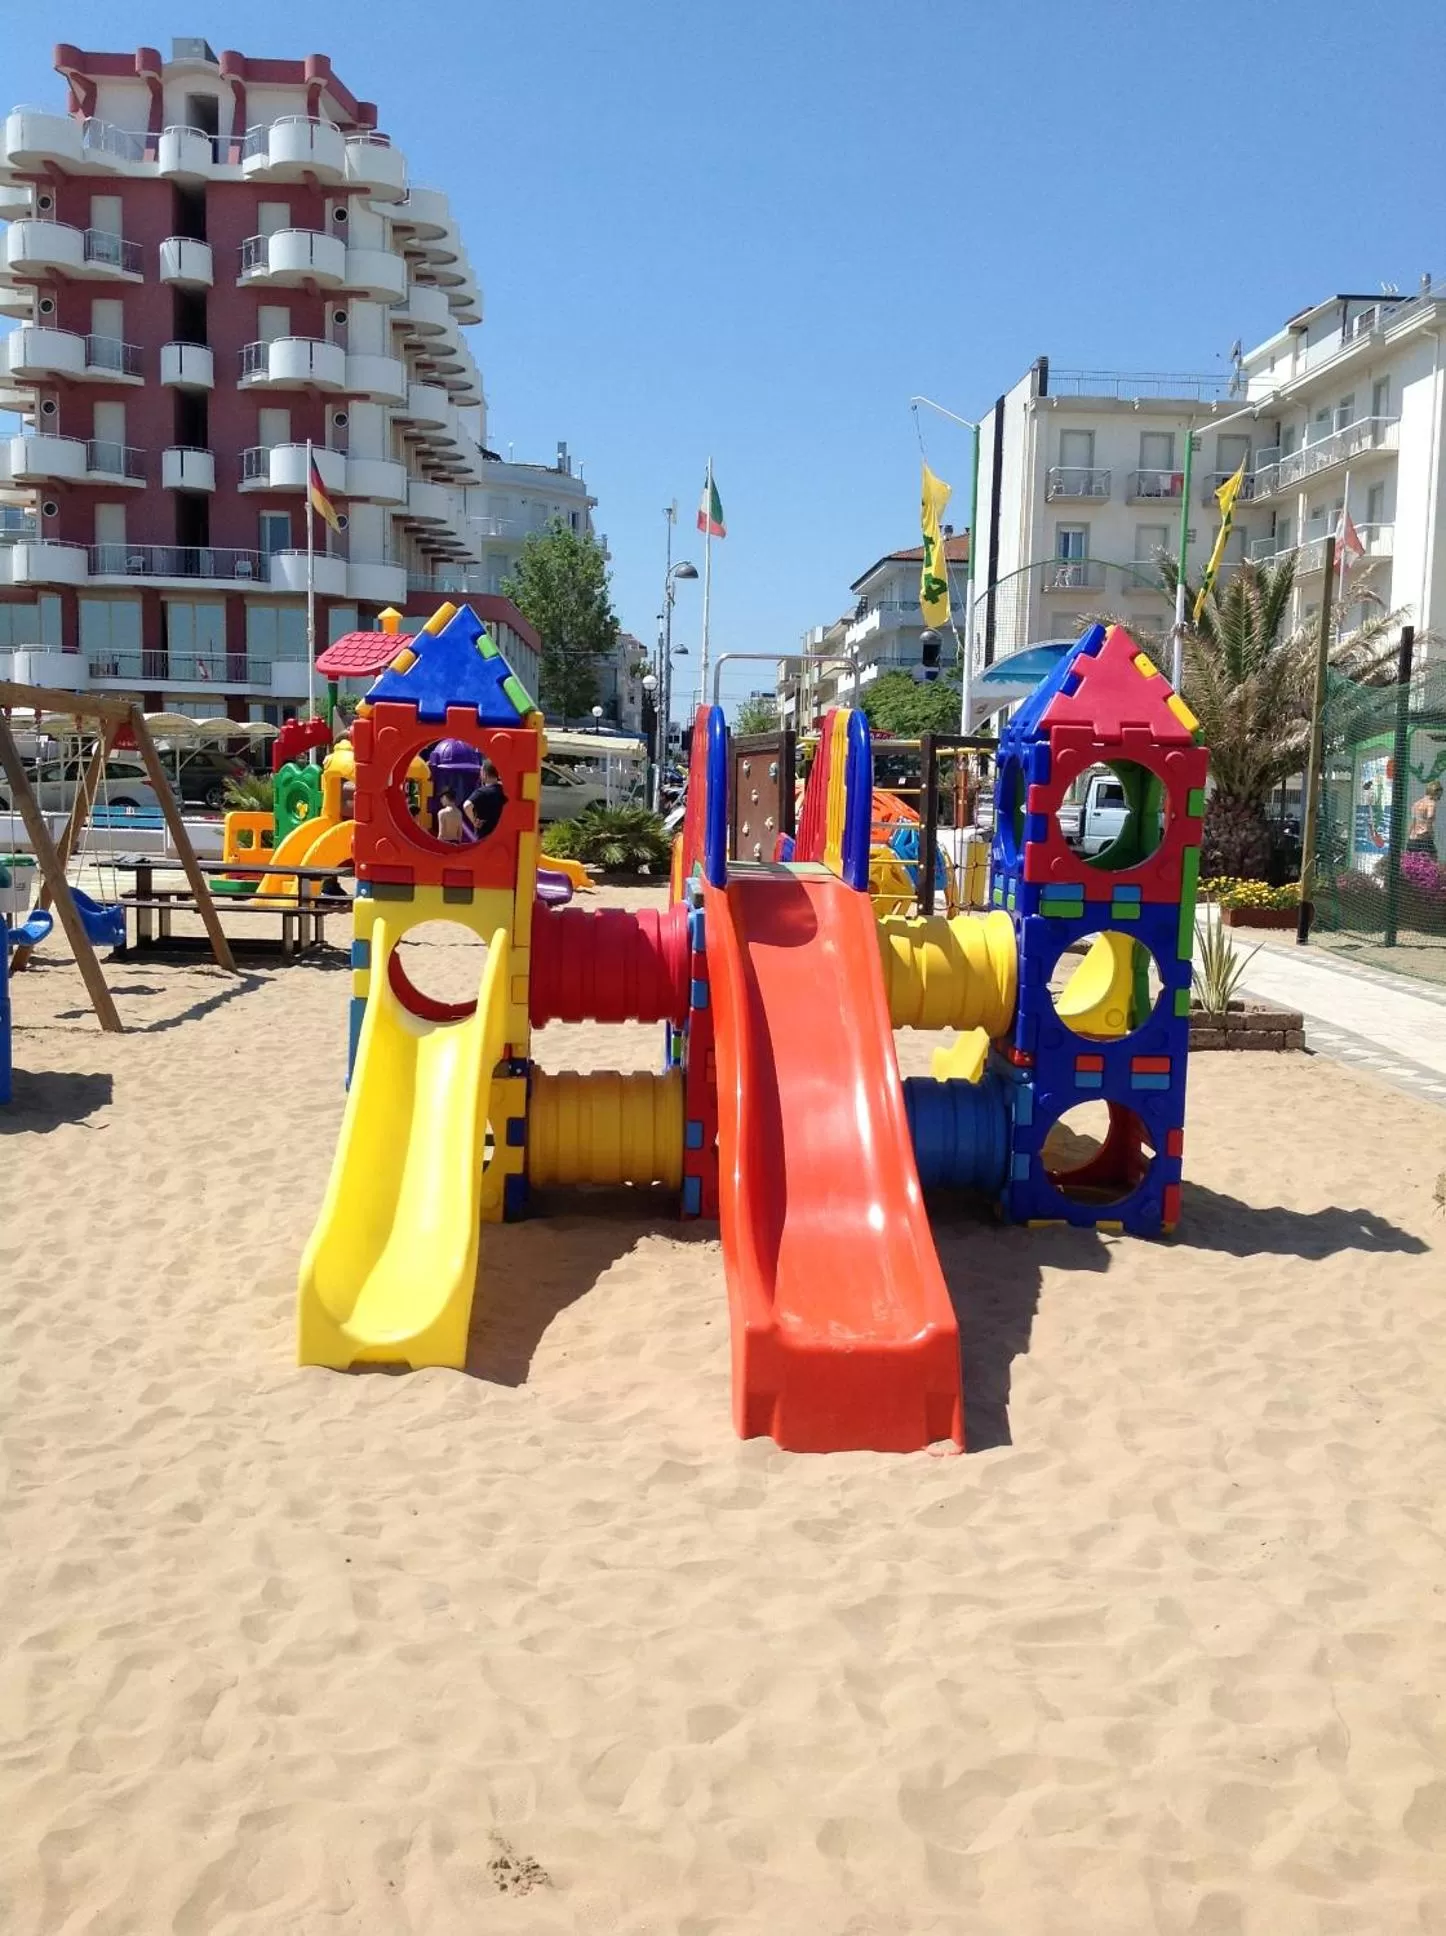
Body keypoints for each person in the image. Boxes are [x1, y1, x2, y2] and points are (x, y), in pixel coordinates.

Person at [464, 759, 507, 839]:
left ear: (484, 774)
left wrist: (474, 821)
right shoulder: (504, 791)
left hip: (483, 837)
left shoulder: (481, 792)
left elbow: (467, 805)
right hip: (500, 836)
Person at [1407, 777, 1442, 857]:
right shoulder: (1431, 803)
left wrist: (1409, 837)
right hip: (1424, 838)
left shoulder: (1417, 803)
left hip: (1412, 839)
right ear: (1435, 792)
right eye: (1439, 795)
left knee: (1412, 863)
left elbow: (1413, 822)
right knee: (1432, 860)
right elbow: (1429, 818)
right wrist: (1431, 833)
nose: (1439, 798)